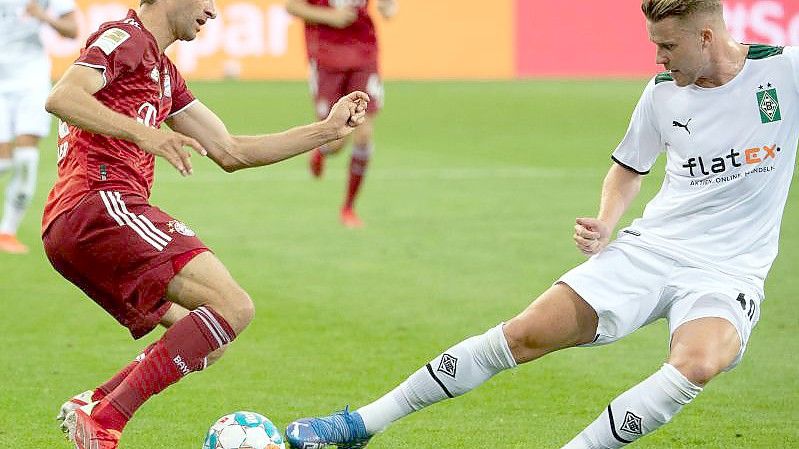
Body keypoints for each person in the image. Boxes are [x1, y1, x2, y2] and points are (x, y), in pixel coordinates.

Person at [284, 1, 798, 448]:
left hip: (728, 273)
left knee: (698, 362)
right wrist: (605, 220)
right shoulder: (662, 92)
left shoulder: (783, 73)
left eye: (666, 46)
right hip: (650, 250)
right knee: (521, 336)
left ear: (706, 37)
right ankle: (361, 424)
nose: (657, 58)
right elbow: (628, 168)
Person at [41, 0, 369, 448]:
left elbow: (231, 150)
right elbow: (63, 96)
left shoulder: (164, 73)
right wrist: (146, 133)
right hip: (98, 204)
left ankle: (95, 404)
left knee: (209, 340)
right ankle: (106, 419)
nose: (213, 10)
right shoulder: (125, 37)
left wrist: (326, 131)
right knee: (234, 306)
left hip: (80, 222)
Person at [285, 0, 397, 228]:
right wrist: (330, 16)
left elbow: (388, 8)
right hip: (326, 58)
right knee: (335, 140)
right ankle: (322, 150)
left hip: (364, 55)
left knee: (363, 133)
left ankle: (348, 207)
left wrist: (389, 7)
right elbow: (292, 6)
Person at [0, 0, 77, 253]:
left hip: (30, 78)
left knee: (26, 157)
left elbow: (72, 28)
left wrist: (42, 16)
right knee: (4, 161)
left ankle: (6, 232)